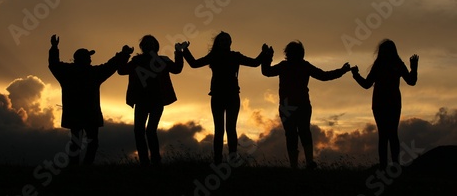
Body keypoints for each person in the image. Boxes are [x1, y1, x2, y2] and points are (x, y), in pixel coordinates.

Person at [261, 40, 350, 169]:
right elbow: (324, 76)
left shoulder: (287, 66)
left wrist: (267, 57)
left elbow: (266, 71)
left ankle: (297, 165)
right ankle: (307, 162)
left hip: (291, 106)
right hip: (300, 105)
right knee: (302, 133)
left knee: (293, 134)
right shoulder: (302, 66)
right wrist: (342, 71)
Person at [181, 31, 267, 164]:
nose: (225, 42)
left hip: (231, 95)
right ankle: (218, 160)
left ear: (230, 42)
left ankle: (231, 159)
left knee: (230, 129)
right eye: (222, 40)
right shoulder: (214, 56)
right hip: (218, 96)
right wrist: (185, 50)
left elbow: (255, 63)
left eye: (227, 40)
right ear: (218, 43)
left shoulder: (234, 56)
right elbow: (194, 64)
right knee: (220, 129)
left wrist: (264, 53)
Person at [48, 34, 131, 165]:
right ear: (85, 59)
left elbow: (53, 64)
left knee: (76, 142)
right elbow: (110, 66)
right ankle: (86, 166)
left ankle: (75, 167)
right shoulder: (93, 73)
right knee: (92, 142)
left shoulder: (66, 72)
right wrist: (123, 54)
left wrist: (54, 47)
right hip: (90, 114)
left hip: (74, 113)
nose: (91, 59)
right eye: (89, 57)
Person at [350, 39, 418, 170]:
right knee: (389, 134)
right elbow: (411, 81)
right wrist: (413, 68)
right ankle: (391, 165)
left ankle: (387, 166)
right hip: (386, 104)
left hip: (385, 104)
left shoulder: (383, 64)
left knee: (387, 135)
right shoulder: (391, 64)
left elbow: (366, 84)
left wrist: (356, 75)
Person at [118, 35, 183, 166]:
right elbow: (122, 70)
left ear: (156, 45)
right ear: (142, 47)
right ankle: (144, 161)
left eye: (151, 43)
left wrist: (179, 52)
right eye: (146, 43)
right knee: (139, 131)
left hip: (157, 101)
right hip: (141, 101)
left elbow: (177, 69)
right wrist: (124, 54)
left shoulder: (162, 60)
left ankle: (155, 160)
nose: (149, 45)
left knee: (150, 130)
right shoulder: (137, 60)